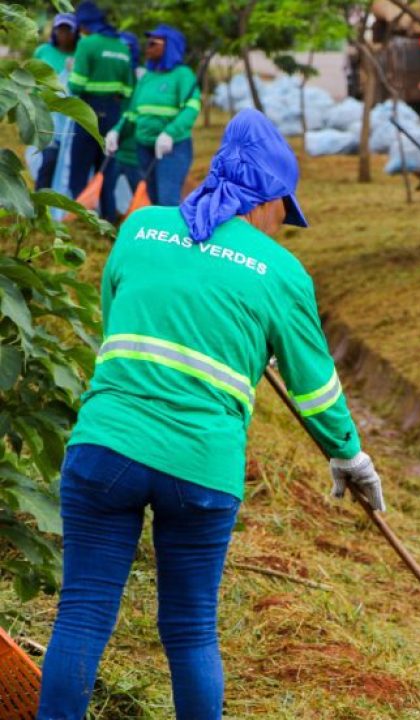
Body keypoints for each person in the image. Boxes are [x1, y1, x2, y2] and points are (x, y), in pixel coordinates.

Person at [37, 109, 385, 720]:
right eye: (284, 210)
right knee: (191, 630)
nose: (283, 225)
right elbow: (315, 389)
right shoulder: (279, 273)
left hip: (105, 448)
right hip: (199, 467)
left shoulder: (140, 228)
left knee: (84, 611)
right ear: (265, 200)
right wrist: (349, 455)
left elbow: (116, 318)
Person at [105, 24, 200, 208]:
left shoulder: (182, 75)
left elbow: (191, 108)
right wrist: (116, 132)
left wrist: (170, 133)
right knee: (151, 201)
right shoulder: (147, 77)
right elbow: (132, 113)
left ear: (169, 46)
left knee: (167, 200)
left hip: (172, 149)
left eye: (153, 43)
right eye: (147, 43)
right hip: (144, 148)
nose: (147, 47)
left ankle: (172, 235)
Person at [67, 2, 133, 211]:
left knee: (79, 171)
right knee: (106, 170)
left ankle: (81, 220)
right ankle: (108, 220)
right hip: (114, 112)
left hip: (89, 111)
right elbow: (128, 90)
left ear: (86, 23)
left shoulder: (88, 45)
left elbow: (76, 85)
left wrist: (71, 73)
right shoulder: (122, 47)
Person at [98, 31, 143, 222]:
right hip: (115, 142)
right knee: (107, 185)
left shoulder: (143, 77)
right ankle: (108, 221)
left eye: (128, 48)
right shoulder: (110, 75)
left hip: (135, 147)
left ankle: (140, 222)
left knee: (139, 189)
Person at [31, 13, 78, 190]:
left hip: (70, 118)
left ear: (75, 33)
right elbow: (32, 80)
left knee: (68, 163)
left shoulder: (80, 53)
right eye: (60, 30)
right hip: (47, 114)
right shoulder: (43, 51)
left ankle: (64, 206)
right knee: (49, 159)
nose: (63, 35)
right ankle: (40, 202)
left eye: (68, 31)